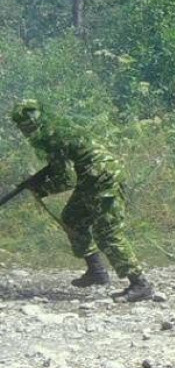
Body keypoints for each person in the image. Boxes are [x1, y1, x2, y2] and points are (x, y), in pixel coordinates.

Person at [10, 100, 155, 302]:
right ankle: (96, 271)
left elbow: (66, 179)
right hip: (94, 177)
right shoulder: (56, 128)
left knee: (107, 232)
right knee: (72, 218)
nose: (26, 131)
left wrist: (41, 189)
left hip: (101, 177)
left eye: (27, 125)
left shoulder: (51, 136)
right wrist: (39, 180)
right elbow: (61, 166)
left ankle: (140, 284)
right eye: (23, 126)